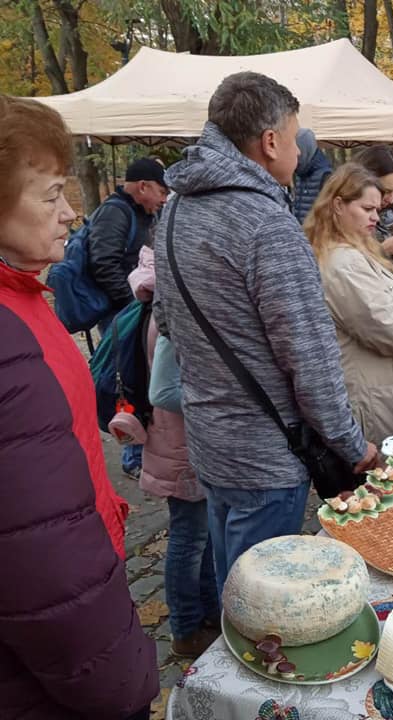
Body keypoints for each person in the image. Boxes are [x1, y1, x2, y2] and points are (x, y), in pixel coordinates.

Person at [153, 71, 378, 595]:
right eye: (295, 137)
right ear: (269, 141)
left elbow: (166, 320)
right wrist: (351, 444)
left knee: (231, 575)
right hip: (266, 452)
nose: (301, 155)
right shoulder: (267, 225)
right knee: (260, 601)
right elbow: (310, 356)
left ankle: (214, 651)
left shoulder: (174, 209)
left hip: (210, 439)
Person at [0, 94, 158, 719]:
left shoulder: (25, 297)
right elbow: (39, 550)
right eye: (50, 194)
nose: (70, 212)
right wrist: (120, 682)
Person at [305, 163, 393, 445]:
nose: (375, 218)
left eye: (377, 210)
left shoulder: (355, 251)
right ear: (338, 205)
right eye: (367, 209)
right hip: (376, 405)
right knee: (386, 482)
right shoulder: (342, 265)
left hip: (389, 396)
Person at [128, 247, 220, 658]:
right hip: (179, 445)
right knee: (188, 539)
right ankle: (185, 630)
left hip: (186, 441)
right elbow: (162, 390)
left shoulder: (176, 294)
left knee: (199, 537)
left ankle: (208, 614)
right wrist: (221, 396)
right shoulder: (174, 307)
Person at [90, 156, 168, 480]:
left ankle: (139, 449)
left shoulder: (136, 211)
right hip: (123, 314)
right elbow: (103, 262)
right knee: (127, 382)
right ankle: (132, 454)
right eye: (161, 191)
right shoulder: (115, 212)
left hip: (132, 310)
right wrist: (133, 303)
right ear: (143, 186)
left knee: (136, 379)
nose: (164, 199)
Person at [354, 145, 393, 292]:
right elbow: (348, 272)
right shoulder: (349, 217)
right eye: (386, 191)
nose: (391, 199)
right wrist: (383, 250)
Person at [292, 127, 334, 223]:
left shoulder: (326, 176)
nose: (295, 153)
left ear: (305, 148)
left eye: (297, 148)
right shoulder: (300, 173)